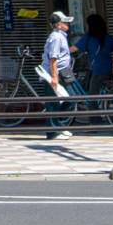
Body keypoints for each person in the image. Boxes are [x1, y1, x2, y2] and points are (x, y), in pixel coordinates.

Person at [42, 11, 78, 140]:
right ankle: (52, 132)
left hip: (63, 72)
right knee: (53, 103)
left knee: (71, 98)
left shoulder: (61, 36)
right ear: (58, 24)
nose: (67, 23)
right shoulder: (56, 37)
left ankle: (59, 126)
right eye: (64, 21)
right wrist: (54, 77)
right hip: (55, 74)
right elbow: (53, 58)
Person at [76, 13, 113, 95]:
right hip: (109, 70)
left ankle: (94, 108)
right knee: (104, 92)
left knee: (92, 97)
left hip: (98, 71)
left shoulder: (88, 37)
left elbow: (74, 49)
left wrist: (60, 51)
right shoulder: (107, 37)